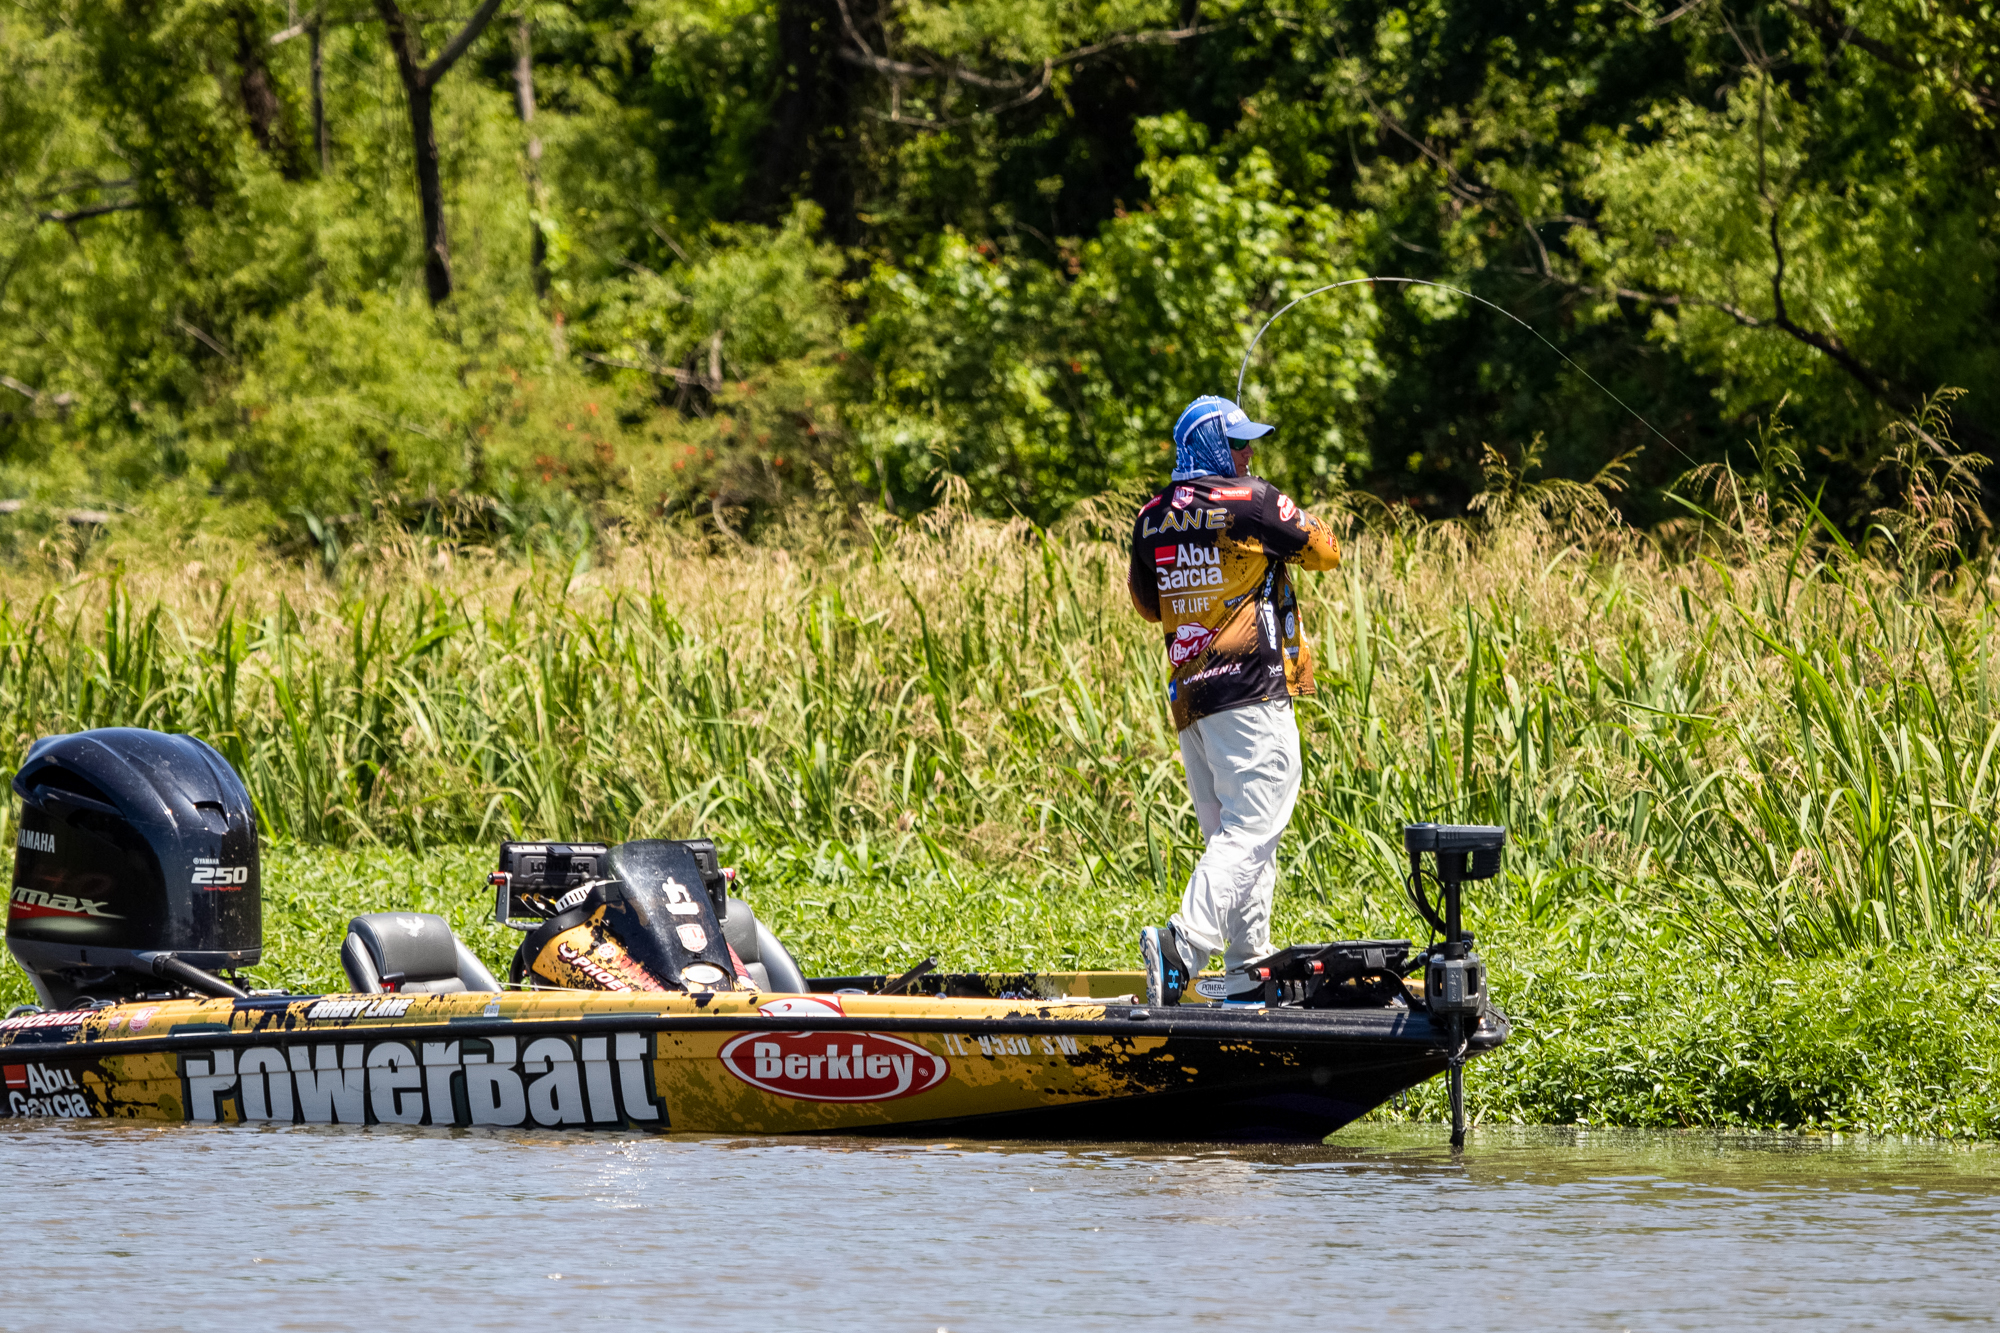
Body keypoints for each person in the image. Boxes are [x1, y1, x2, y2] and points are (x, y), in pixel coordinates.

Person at [1130, 395, 1341, 1005]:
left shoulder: (1150, 517)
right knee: (1255, 826)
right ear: (1213, 448)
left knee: (1235, 837)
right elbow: (1327, 552)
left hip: (1191, 701)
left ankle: (1250, 968)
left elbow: (1148, 607)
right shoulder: (1250, 501)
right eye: (1240, 443)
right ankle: (1184, 944)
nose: (1249, 453)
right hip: (1250, 691)